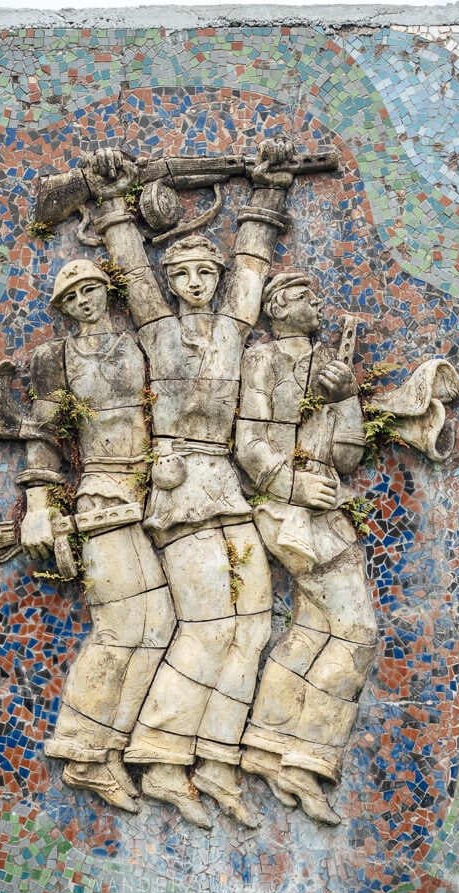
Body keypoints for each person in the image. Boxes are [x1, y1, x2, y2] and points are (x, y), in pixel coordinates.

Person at [85, 141, 297, 827]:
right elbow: (130, 271)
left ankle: (214, 759)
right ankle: (161, 753)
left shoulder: (236, 326)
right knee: (207, 626)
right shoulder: (155, 326)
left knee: (253, 626)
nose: (197, 280)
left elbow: (253, 271)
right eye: (184, 272)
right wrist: (116, 205)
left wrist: (266, 197)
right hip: (179, 489)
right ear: (171, 282)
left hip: (228, 486)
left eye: (208, 270)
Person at [19, 259, 176, 814]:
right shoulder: (53, 358)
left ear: (107, 291)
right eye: (72, 296)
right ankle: (84, 754)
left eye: (91, 290)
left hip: (156, 493)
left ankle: (114, 746)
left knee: (160, 627)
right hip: (100, 495)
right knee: (121, 627)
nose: (84, 301)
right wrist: (38, 503)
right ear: (62, 307)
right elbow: (44, 434)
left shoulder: (144, 344)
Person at [235, 274, 379, 826]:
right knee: (357, 631)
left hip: (327, 510)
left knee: (310, 631)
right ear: (277, 307)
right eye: (304, 295)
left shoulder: (330, 362)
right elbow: (248, 443)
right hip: (288, 509)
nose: (318, 302)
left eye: (318, 294)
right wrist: (290, 484)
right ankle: (306, 759)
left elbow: (346, 455)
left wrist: (347, 401)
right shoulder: (263, 360)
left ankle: (268, 748)